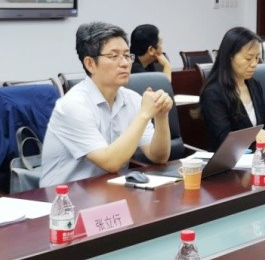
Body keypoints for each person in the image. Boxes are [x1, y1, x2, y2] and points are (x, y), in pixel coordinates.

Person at [36, 22, 173, 188]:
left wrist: (161, 116)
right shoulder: (73, 106)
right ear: (90, 64)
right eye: (114, 56)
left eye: (127, 55)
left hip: (110, 192)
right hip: (65, 197)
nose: (125, 63)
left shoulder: (133, 99)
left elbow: (158, 157)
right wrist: (144, 115)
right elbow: (110, 162)